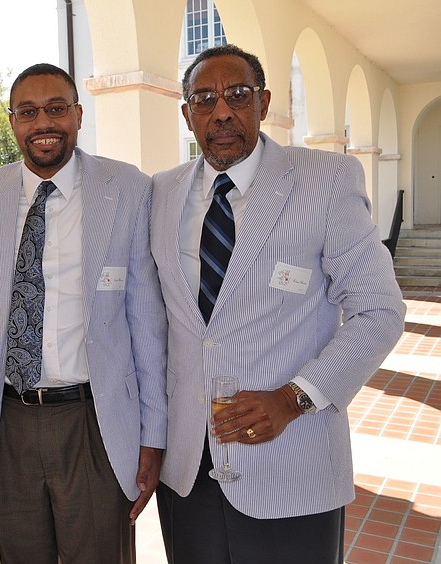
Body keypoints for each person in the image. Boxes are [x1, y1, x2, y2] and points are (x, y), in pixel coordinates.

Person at [151, 44, 406, 563]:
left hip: (292, 460)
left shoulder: (327, 181)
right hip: (188, 470)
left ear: (264, 103)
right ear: (187, 115)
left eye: (237, 95)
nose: (221, 111)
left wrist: (294, 399)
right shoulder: (160, 192)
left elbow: (379, 311)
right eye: (204, 99)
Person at [0, 63, 167, 564]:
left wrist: (152, 437)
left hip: (94, 420)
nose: (43, 122)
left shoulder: (128, 188)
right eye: (28, 112)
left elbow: (147, 324)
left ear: (77, 114)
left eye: (56, 109)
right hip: (11, 424)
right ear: (12, 122)